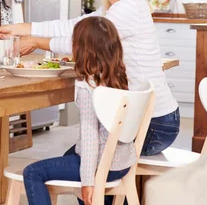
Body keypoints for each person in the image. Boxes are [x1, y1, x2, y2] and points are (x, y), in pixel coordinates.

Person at [0, 0, 180, 157]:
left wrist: (35, 41)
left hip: (153, 124)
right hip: (142, 118)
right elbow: (73, 26)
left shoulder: (128, 9)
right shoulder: (116, 7)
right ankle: (114, 191)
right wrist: (18, 28)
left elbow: (83, 44)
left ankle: (111, 190)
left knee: (77, 163)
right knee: (79, 161)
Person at [23, 16, 134, 205]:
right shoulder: (120, 77)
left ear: (81, 49)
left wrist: (88, 182)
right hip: (123, 161)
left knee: (33, 172)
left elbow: (91, 138)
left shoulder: (88, 87)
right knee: (71, 154)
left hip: (103, 164)